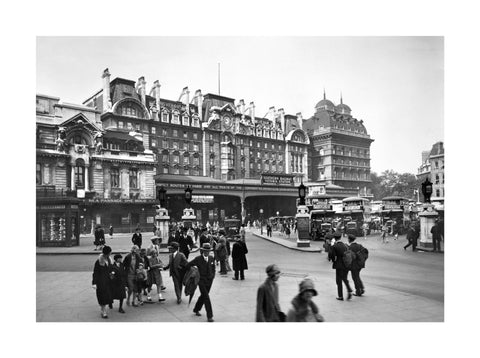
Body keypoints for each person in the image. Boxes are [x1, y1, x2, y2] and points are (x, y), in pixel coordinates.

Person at [186, 243, 216, 322]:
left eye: (208, 251)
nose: (207, 252)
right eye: (205, 251)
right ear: (202, 251)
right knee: (206, 297)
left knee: (203, 296)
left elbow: (213, 268)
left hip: (209, 281)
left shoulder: (211, 258)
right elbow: (188, 265)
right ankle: (210, 316)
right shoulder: (198, 259)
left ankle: (196, 309)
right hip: (201, 281)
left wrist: (213, 276)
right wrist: (194, 271)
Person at [328, 234, 353, 301]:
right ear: (340, 237)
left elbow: (332, 256)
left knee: (338, 281)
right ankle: (349, 289)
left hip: (339, 265)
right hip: (346, 264)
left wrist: (333, 260)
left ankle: (340, 296)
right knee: (344, 278)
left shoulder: (335, 246)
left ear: (335, 239)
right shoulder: (345, 245)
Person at [92, 246, 113, 318]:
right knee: (102, 296)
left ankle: (104, 308)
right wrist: (94, 283)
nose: (110, 254)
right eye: (110, 253)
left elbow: (111, 269)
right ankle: (103, 311)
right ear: (107, 253)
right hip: (101, 281)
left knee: (107, 296)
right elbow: (95, 272)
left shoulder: (109, 260)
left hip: (108, 280)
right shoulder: (98, 262)